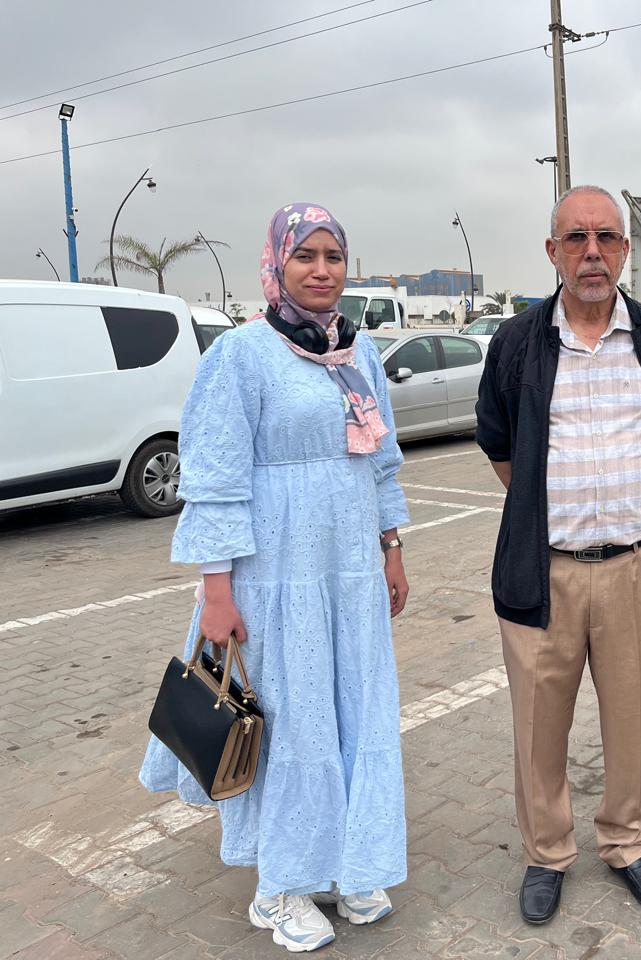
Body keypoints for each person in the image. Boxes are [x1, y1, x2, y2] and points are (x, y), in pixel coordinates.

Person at [140, 203, 411, 953]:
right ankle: (281, 885)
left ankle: (347, 861)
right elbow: (215, 478)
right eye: (306, 256)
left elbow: (382, 461)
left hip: (349, 577)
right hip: (275, 578)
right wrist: (216, 590)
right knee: (292, 723)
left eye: (334, 256)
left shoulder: (357, 353)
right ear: (277, 264)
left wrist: (391, 547)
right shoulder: (242, 356)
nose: (322, 270)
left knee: (353, 713)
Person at [475, 185, 641, 924]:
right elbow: (499, 442)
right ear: (553, 251)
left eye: (606, 238)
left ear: (625, 250)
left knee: (633, 722)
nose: (592, 252)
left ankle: (627, 842)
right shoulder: (517, 343)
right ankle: (547, 853)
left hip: (637, 566)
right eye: (576, 238)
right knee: (539, 727)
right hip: (545, 573)